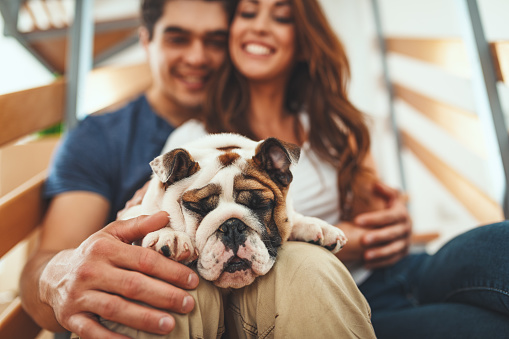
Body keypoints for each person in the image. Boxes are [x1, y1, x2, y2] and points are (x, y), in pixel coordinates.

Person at [19, 1, 376, 338]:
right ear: (146, 39)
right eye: (178, 38)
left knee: (309, 269)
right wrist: (60, 274)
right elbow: (48, 262)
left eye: (215, 41)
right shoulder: (100, 138)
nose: (197, 57)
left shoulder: (251, 139)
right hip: (175, 301)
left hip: (272, 295)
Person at [153, 0, 509, 338]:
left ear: (304, 42)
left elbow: (373, 219)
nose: (260, 27)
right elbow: (173, 225)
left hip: (401, 270)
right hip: (337, 301)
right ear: (230, 32)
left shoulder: (333, 125)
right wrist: (349, 238)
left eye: (282, 18)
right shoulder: (194, 143)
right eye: (248, 13)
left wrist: (393, 219)